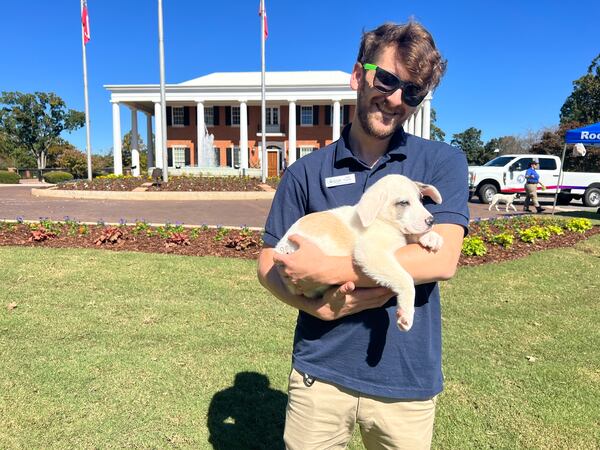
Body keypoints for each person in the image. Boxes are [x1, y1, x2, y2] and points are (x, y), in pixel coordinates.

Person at [257, 21, 469, 450]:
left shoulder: (440, 162)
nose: (395, 99)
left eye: (411, 92)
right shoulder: (305, 172)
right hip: (319, 373)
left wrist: (331, 267)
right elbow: (267, 265)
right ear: (359, 75)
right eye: (387, 80)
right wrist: (315, 308)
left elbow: (441, 259)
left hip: (404, 381)